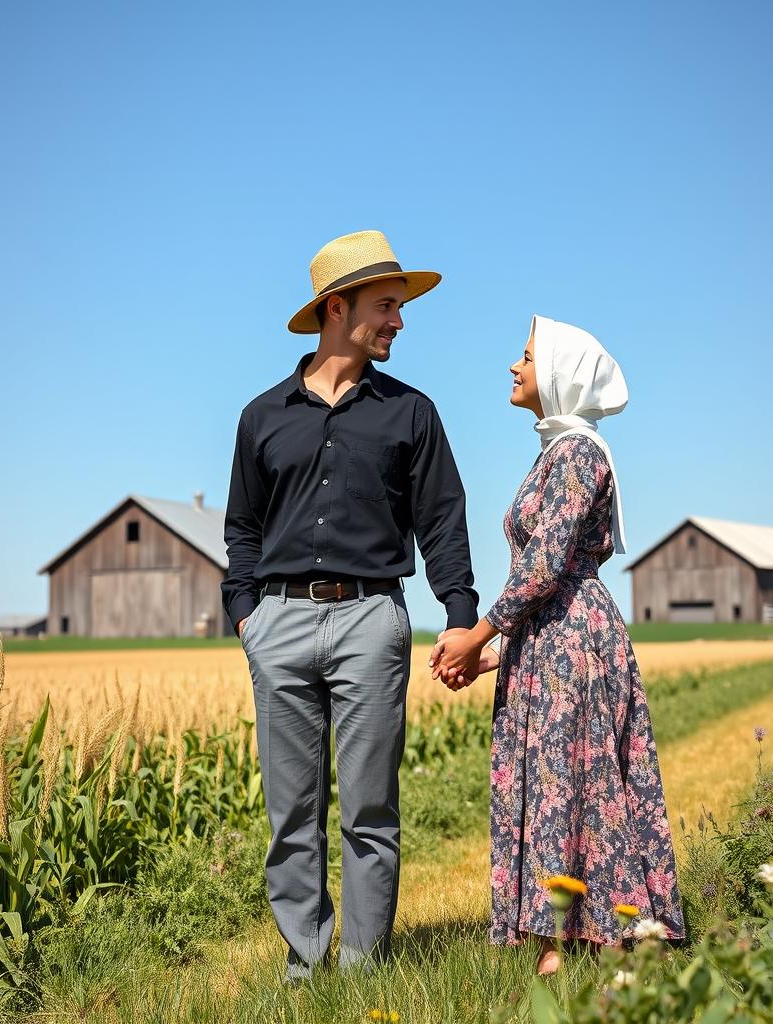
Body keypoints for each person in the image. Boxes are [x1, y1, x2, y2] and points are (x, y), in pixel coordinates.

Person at [222, 230, 479, 981]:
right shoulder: (261, 417)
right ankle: (306, 967)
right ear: (338, 308)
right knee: (290, 812)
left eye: (399, 308)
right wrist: (247, 613)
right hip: (278, 620)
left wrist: (458, 615)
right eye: (386, 307)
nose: (398, 322)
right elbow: (242, 526)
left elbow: (442, 522)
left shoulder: (412, 414)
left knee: (370, 809)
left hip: (371, 619)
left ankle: (365, 968)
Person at [430, 314, 684, 973]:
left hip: (575, 637)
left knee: (567, 778)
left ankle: (575, 946)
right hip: (551, 635)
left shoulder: (578, 454)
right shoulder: (558, 452)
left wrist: (477, 634)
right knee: (560, 776)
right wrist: (494, 655)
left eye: (525, 356)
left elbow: (543, 566)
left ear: (558, 374)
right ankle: (571, 940)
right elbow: (540, 576)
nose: (514, 367)